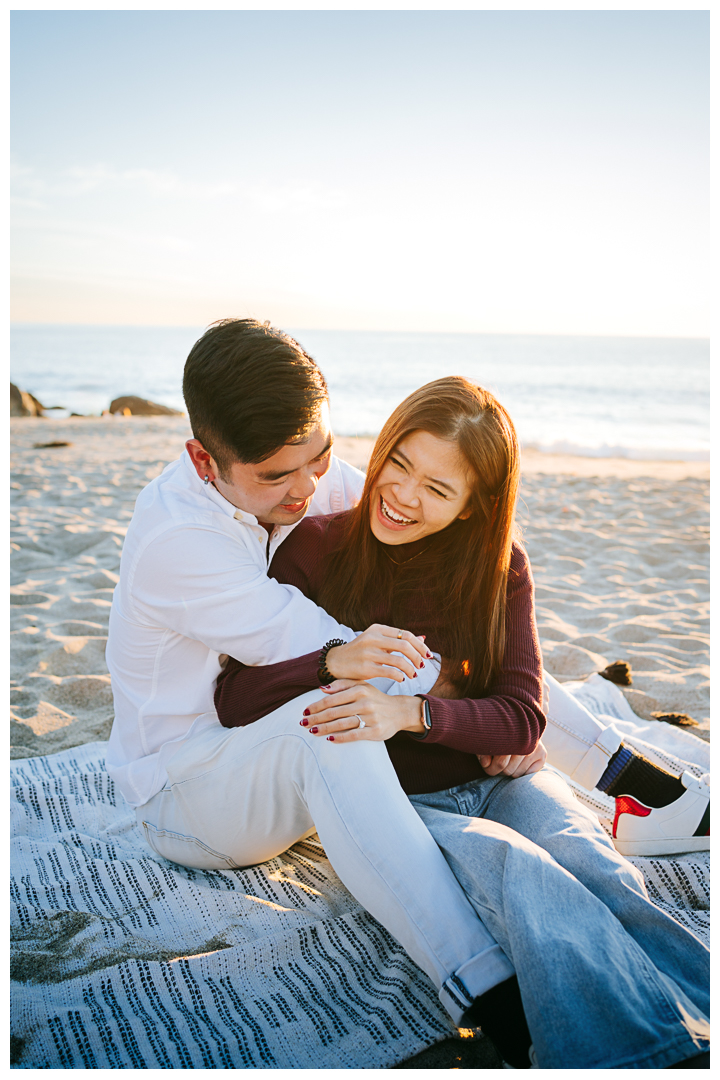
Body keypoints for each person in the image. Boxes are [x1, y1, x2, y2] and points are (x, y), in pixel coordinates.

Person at [214, 376, 709, 1069]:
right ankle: (643, 1057)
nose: (404, 495)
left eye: (438, 490)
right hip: (396, 805)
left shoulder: (499, 566)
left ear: (476, 507)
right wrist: (334, 662)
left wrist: (413, 712)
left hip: (500, 783)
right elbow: (234, 697)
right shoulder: (316, 549)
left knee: (591, 860)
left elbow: (523, 717)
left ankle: (705, 1022)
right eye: (400, 464)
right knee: (525, 874)